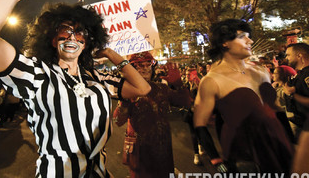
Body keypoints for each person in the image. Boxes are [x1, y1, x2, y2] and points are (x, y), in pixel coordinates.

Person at [0, 0, 151, 177]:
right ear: (53, 40)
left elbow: (142, 88)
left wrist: (111, 54)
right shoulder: (36, 74)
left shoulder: (96, 77)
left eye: (80, 33)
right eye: (65, 31)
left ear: (87, 42)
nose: (72, 37)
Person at [193, 19, 293, 173]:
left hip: (279, 148)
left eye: (249, 36)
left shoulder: (260, 71)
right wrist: (217, 162)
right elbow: (200, 124)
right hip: (244, 157)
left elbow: (277, 110)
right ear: (225, 42)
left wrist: (292, 145)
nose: (250, 40)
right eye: (242, 37)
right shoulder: (211, 80)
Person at [113, 52, 191, 178]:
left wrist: (178, 84)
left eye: (148, 64)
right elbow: (117, 120)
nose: (145, 68)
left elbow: (186, 102)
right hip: (140, 152)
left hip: (163, 148)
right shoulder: (127, 91)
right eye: (139, 65)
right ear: (131, 70)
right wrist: (126, 98)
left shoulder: (161, 88)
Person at [283, 43, 309, 174]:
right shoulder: (300, 75)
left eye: (288, 55)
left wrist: (293, 94)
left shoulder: (307, 74)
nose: (286, 58)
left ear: (299, 55)